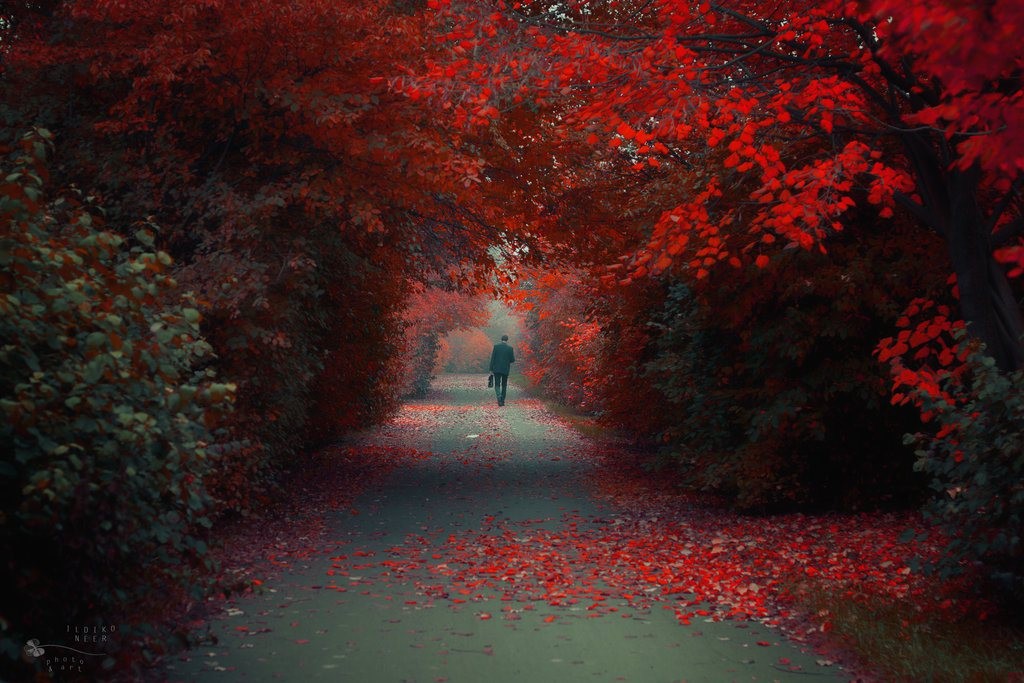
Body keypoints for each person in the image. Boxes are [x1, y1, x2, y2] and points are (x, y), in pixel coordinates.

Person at [488, 334, 515, 406]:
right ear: (507, 340)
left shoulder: (496, 347)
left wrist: (491, 369)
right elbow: (512, 360)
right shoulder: (510, 348)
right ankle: (502, 401)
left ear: (501, 339)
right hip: (505, 369)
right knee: (504, 385)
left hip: (496, 369)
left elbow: (492, 358)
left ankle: (499, 396)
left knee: (497, 384)